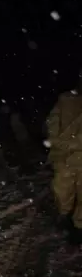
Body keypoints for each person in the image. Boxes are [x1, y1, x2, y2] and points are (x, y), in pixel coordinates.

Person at [46, 81, 82, 245]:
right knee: (62, 189)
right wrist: (56, 139)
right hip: (65, 156)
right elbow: (53, 120)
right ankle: (64, 214)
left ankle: (78, 227)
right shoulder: (65, 99)